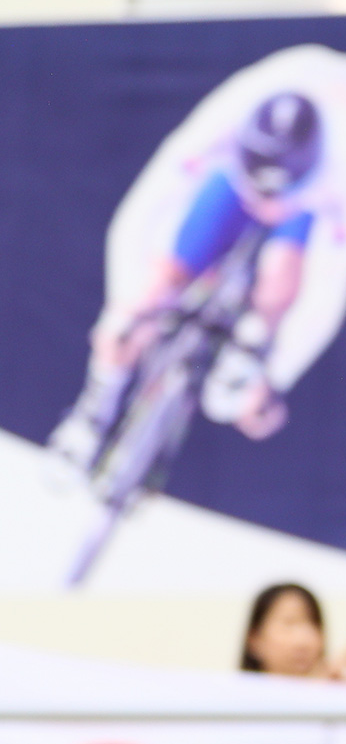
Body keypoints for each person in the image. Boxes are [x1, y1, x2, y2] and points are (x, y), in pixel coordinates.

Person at [52, 92, 325, 468]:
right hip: (230, 186)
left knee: (282, 273)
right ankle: (94, 409)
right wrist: (128, 306)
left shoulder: (340, 176)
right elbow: (137, 217)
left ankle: (247, 349)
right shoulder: (215, 135)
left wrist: (277, 373)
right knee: (153, 292)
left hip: (300, 200)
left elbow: (332, 284)